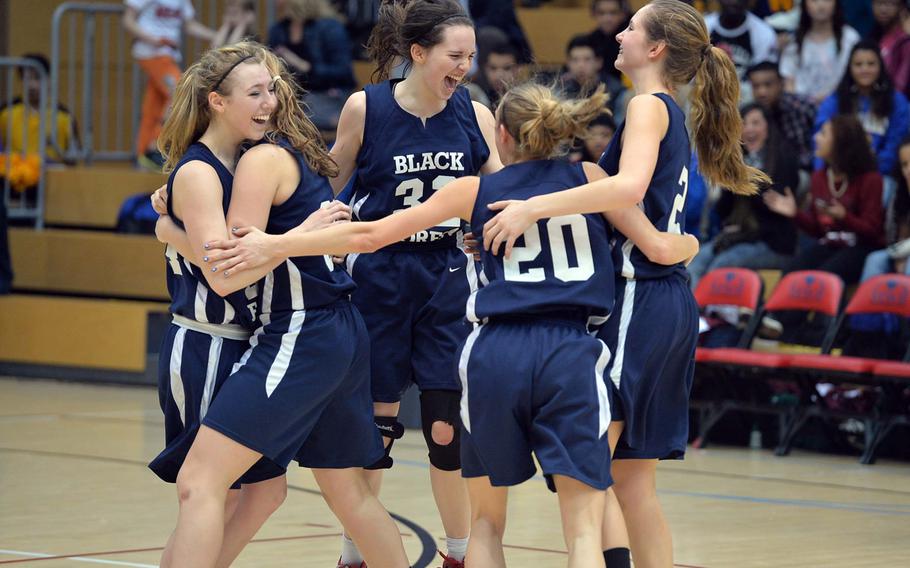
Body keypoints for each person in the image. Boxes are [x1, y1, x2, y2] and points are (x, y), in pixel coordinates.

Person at [202, 81, 699, 568]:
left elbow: (370, 235)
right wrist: (690, 246)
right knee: (584, 525)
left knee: (485, 523)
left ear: (500, 134)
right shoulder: (592, 177)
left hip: (493, 354)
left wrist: (275, 243)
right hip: (570, 352)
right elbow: (654, 244)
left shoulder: (474, 189)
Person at [477, 2, 769, 566]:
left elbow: (629, 189)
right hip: (666, 296)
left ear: (655, 48)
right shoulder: (668, 111)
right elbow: (652, 228)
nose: (620, 31)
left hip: (640, 296)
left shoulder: (645, 108)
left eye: (632, 26)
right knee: (630, 483)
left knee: (586, 474)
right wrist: (672, 244)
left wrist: (532, 208)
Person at [151, 42, 408, 568]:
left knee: (204, 483)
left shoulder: (260, 159)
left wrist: (167, 228)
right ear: (216, 102)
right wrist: (174, 224)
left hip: (298, 331)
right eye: (256, 92)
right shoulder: (219, 167)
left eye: (272, 90)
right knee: (342, 495)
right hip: (263, 335)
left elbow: (230, 274)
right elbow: (229, 269)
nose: (269, 101)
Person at [319, 2, 502, 566]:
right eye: (455, 56)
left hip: (448, 277)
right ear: (418, 54)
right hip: (380, 276)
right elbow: (327, 183)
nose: (466, 67)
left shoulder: (476, 112)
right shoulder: (366, 107)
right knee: (376, 430)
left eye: (471, 56)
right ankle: (357, 554)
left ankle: (458, 554)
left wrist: (489, 229)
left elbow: (500, 195)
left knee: (446, 428)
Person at [687, 103, 799, 289]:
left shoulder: (784, 159)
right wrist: (727, 180)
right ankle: (694, 317)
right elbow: (723, 211)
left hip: (773, 243)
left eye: (756, 123)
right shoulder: (739, 162)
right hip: (741, 238)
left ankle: (713, 316)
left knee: (720, 266)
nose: (749, 129)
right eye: (743, 124)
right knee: (694, 264)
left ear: (768, 128)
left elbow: (771, 211)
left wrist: (743, 178)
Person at [766, 115, 886, 287]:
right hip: (831, 245)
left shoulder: (870, 179)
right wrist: (795, 214)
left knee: (823, 278)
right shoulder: (819, 178)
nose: (816, 138)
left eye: (823, 134)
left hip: (862, 248)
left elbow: (873, 232)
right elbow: (818, 230)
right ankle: (772, 315)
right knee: (791, 273)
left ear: (841, 142)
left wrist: (845, 217)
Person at [122, 0, 217, 171]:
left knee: (155, 104)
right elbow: (128, 19)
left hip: (168, 54)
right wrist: (151, 39)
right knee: (180, 93)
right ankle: (154, 149)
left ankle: (143, 154)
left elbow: (189, 25)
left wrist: (213, 35)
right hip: (151, 52)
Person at [814, 40, 910, 179]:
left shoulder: (897, 101)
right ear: (850, 68)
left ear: (881, 67)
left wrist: (869, 172)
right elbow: (821, 136)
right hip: (839, 171)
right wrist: (822, 173)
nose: (865, 69)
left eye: (871, 64)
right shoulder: (836, 100)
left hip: (880, 173)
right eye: (858, 64)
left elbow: (895, 145)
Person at [267, 0, 356, 130]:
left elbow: (343, 71)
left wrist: (305, 66)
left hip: (325, 94)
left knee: (296, 113)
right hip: (291, 95)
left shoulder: (330, 27)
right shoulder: (278, 29)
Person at [0, 53, 78, 163]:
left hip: (51, 178)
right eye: (27, 78)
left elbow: (73, 159)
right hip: (14, 177)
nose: (32, 85)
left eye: (37, 78)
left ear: (49, 79)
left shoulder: (64, 116)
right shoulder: (5, 112)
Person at [779, 0, 860, 104]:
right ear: (805, 5)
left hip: (841, 105)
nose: (821, 5)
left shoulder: (850, 38)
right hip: (801, 109)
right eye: (814, 0)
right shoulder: (794, 42)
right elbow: (788, 80)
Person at [748, 61, 816, 173]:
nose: (762, 92)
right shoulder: (752, 113)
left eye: (768, 85)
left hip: (803, 171)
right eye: (756, 86)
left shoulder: (800, 108)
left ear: (781, 83)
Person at [704, 0, 779, 102]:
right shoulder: (704, 27)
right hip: (707, 97)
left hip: (748, 102)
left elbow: (764, 82)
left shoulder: (764, 33)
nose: (734, 2)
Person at [871, 0, 910, 96]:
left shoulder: (905, 41)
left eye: (890, 3)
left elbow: (901, 86)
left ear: (902, 8)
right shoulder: (871, 37)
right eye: (879, 3)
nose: (883, 9)